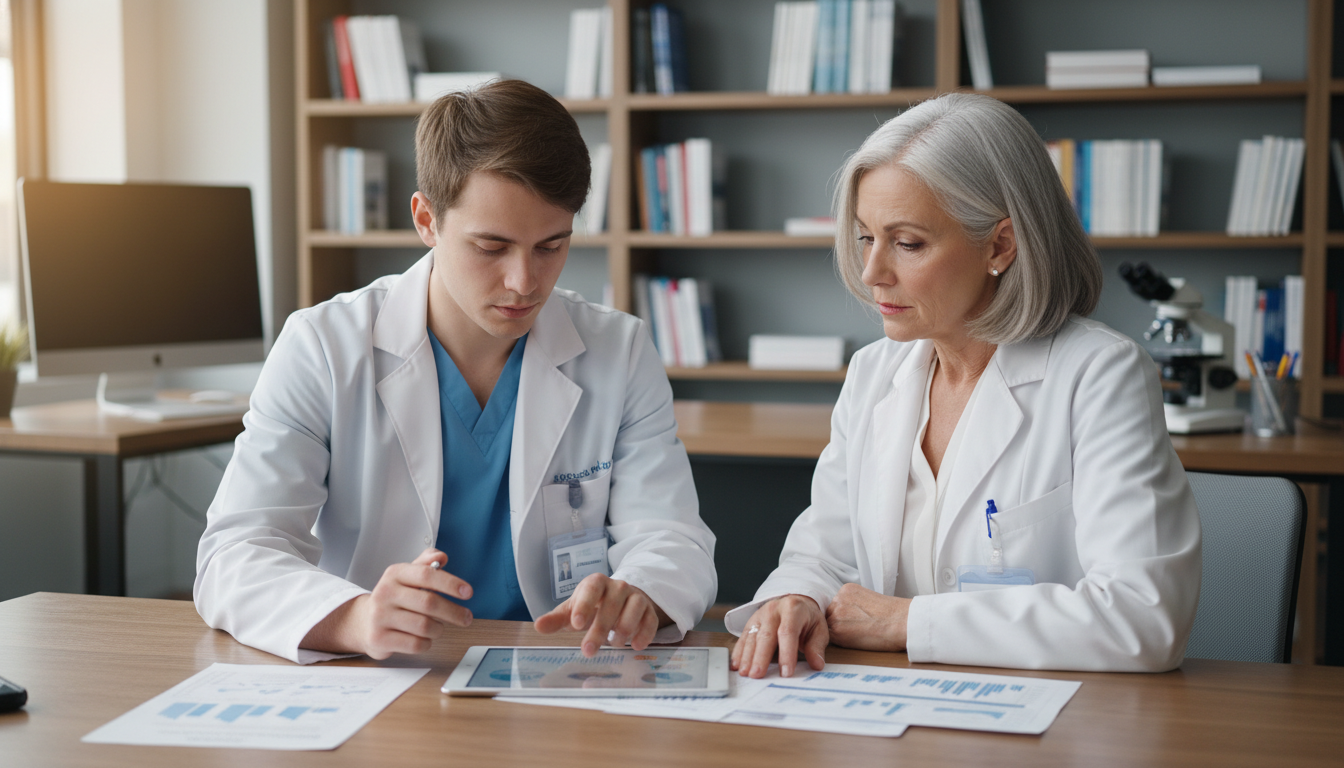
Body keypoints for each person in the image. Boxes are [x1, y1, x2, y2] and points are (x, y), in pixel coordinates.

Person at [196, 80, 716, 665]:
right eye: (491, 247)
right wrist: (357, 618)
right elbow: (235, 553)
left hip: (563, 668)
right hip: (382, 678)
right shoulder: (323, 347)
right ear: (426, 219)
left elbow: (672, 536)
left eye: (551, 246)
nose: (524, 281)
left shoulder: (618, 350)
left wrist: (640, 592)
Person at [727, 93, 1201, 676]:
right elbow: (824, 552)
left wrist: (906, 621)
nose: (873, 272)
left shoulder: (1099, 374)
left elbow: (1142, 620)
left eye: (907, 243)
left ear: (1000, 245)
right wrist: (794, 597)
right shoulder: (875, 373)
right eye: (864, 238)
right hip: (891, 711)